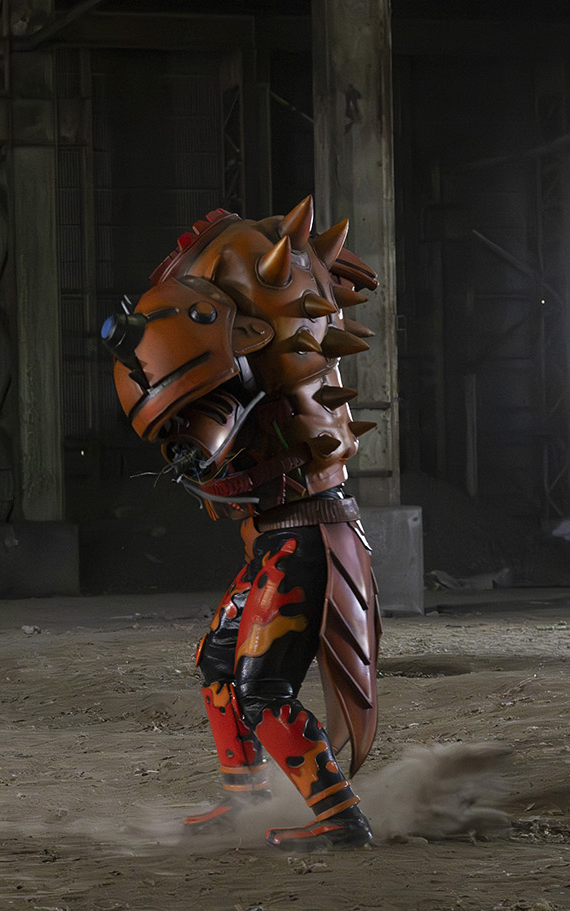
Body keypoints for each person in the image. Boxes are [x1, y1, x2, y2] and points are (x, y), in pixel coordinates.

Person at [102, 197, 381, 851]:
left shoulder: (279, 364)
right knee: (218, 663)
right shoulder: (273, 359)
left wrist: (199, 445)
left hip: (305, 536)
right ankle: (245, 797)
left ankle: (342, 818)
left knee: (262, 687)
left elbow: (224, 408)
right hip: (278, 539)